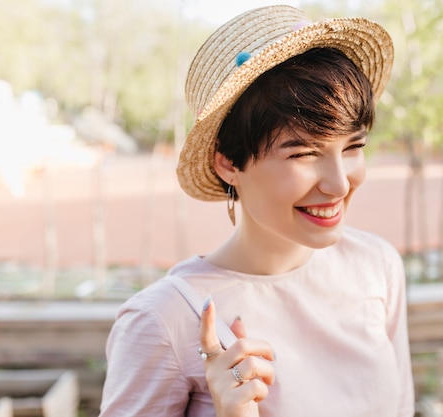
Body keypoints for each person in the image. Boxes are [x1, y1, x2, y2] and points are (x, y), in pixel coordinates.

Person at [99, 5, 414, 417]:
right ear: (229, 162)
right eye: (303, 153)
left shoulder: (376, 266)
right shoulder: (164, 321)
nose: (339, 184)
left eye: (353, 147)